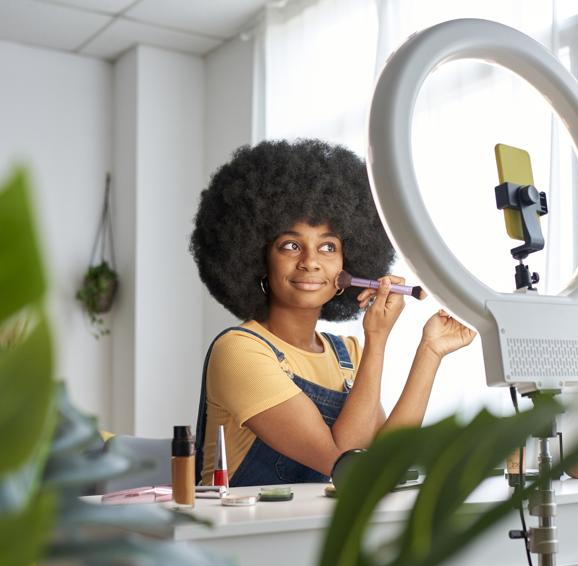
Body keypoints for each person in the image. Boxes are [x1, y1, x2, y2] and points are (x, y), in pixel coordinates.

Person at [189, 138, 476, 489]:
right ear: (260, 260)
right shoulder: (240, 351)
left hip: (317, 532)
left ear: (346, 266)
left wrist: (430, 351)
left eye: (328, 247)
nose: (310, 262)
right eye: (291, 245)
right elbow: (342, 461)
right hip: (243, 537)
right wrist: (377, 339)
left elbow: (384, 461)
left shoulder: (347, 355)